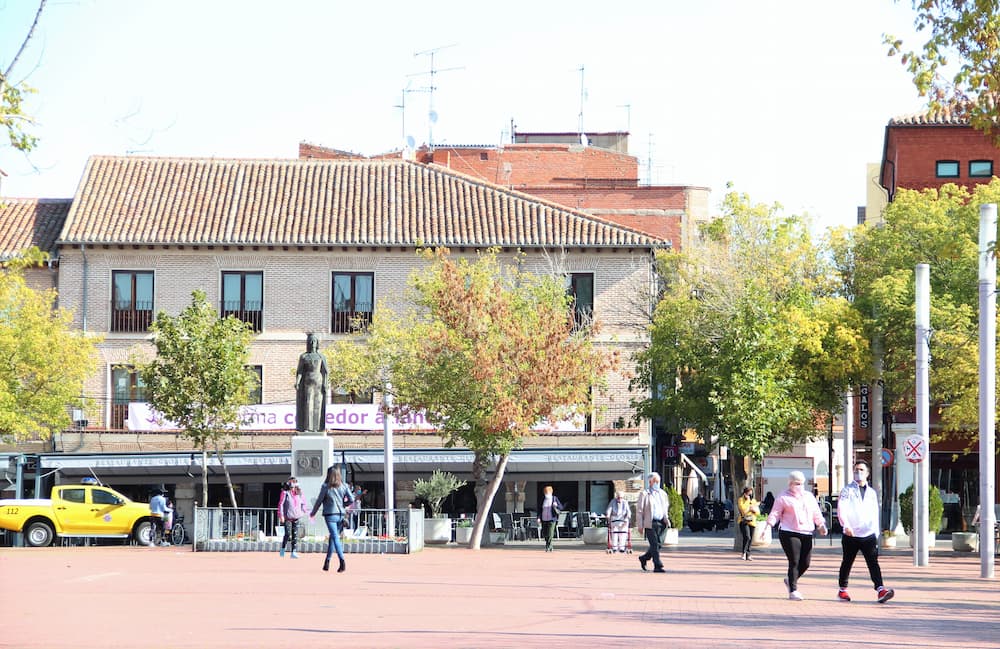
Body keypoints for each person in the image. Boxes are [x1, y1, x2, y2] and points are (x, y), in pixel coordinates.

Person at [762, 471, 827, 600]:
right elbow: (775, 513)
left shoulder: (809, 497)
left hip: (806, 532)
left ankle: (791, 579)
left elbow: (816, 513)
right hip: (789, 531)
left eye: (802, 483)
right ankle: (793, 590)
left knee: (806, 562)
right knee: (794, 560)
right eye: (797, 483)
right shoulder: (783, 497)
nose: (799, 486)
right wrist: (768, 526)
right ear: (790, 483)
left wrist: (821, 525)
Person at [837, 461, 895, 603]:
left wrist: (876, 532)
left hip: (868, 534)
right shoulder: (847, 490)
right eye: (856, 470)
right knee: (847, 562)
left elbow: (874, 512)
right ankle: (842, 590)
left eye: (862, 470)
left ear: (868, 473)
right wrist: (846, 526)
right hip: (851, 534)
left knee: (873, 562)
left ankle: (880, 589)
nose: (859, 472)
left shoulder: (872, 493)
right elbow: (841, 509)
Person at [310, 466, 354, 572]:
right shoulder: (344, 486)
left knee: (335, 537)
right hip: (341, 514)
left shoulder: (326, 487)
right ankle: (327, 561)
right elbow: (351, 499)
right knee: (333, 538)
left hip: (330, 515)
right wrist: (344, 504)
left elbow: (319, 501)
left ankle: (342, 561)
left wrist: (313, 513)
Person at [635, 472, 669, 573]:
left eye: (658, 481)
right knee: (654, 545)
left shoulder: (663, 493)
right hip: (650, 523)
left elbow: (665, 507)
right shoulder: (644, 494)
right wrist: (640, 525)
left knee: (659, 544)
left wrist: (666, 519)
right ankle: (657, 565)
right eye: (655, 481)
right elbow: (640, 511)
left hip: (662, 522)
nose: (657, 483)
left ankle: (644, 558)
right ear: (650, 482)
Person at [295, 333, 328, 433]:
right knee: (308, 403)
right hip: (307, 381)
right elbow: (300, 371)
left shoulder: (321, 356)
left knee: (317, 404)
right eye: (310, 341)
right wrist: (297, 382)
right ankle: (307, 427)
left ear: (317, 343)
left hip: (318, 381)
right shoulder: (304, 356)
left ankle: (316, 428)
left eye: (314, 341)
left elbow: (325, 371)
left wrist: (325, 384)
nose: (312, 343)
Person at [278, 477, 308, 558]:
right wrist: (281, 515)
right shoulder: (285, 493)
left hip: (297, 516)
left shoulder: (299, 493)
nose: (292, 487)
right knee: (287, 534)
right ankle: (283, 549)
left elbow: (304, 502)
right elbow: (280, 504)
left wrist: (303, 511)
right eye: (291, 485)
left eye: (294, 485)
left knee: (295, 535)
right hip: (288, 517)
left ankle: (293, 552)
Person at [537, 485, 564, 552]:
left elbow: (561, 507)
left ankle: (547, 546)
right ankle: (550, 545)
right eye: (545, 492)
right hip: (544, 519)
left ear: (551, 492)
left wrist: (556, 505)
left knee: (550, 533)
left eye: (548, 492)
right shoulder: (543, 500)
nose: (546, 493)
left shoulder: (554, 499)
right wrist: (538, 518)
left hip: (552, 519)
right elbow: (540, 510)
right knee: (545, 533)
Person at [736, 487, 760, 561]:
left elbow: (758, 512)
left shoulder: (753, 501)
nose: (750, 494)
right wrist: (750, 508)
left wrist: (754, 509)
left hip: (752, 521)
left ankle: (748, 554)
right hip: (744, 521)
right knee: (747, 537)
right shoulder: (741, 500)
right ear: (745, 493)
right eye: (748, 492)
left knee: (750, 539)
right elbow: (743, 510)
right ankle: (743, 553)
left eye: (751, 493)